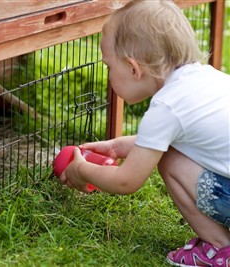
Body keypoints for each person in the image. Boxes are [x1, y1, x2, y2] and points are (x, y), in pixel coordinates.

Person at [58, 0, 230, 266]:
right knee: (172, 152)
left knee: (170, 161)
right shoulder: (205, 78)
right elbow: (177, 140)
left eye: (109, 67)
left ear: (133, 68)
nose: (109, 76)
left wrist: (81, 171)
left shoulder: (167, 107)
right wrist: (117, 146)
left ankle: (219, 249)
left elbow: (127, 181)